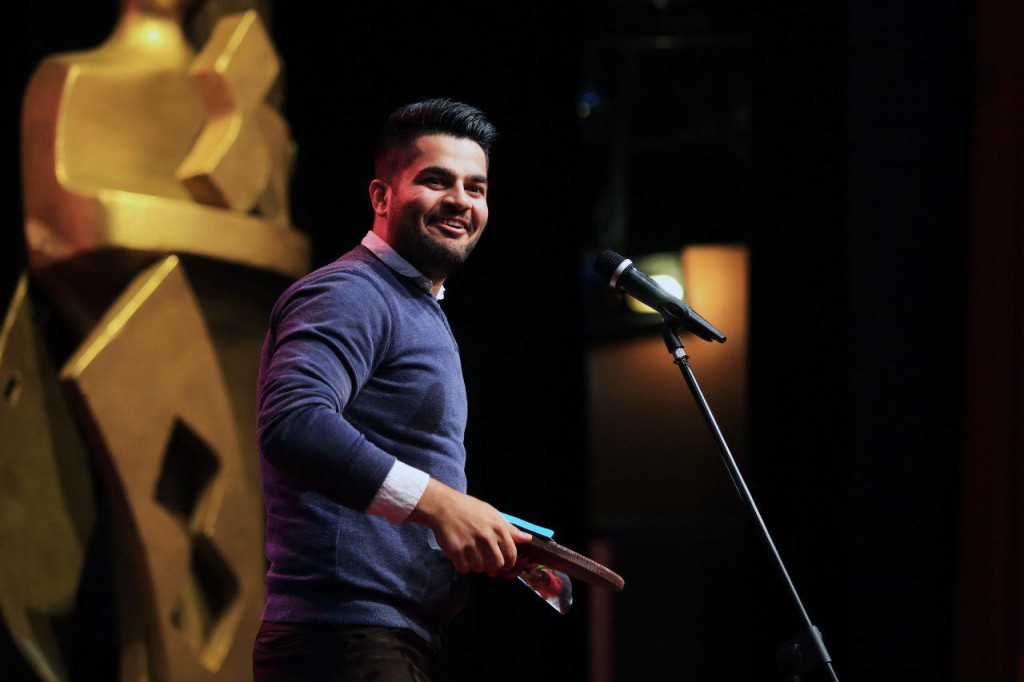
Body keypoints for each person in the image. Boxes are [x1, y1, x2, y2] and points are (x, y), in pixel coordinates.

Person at [251, 99, 532, 681]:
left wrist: (479, 530)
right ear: (381, 197)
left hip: (382, 638)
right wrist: (443, 506)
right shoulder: (352, 292)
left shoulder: (416, 305)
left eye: (476, 187)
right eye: (436, 180)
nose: (461, 200)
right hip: (341, 639)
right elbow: (293, 421)